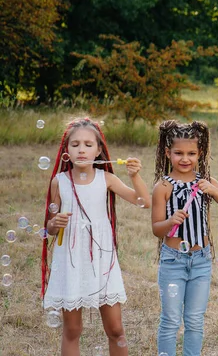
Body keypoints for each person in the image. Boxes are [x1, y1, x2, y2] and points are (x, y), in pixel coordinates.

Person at [41, 117, 151, 355]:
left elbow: (144, 202)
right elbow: (50, 229)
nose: (81, 149)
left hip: (102, 260)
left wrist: (134, 176)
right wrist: (54, 223)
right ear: (66, 150)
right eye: (75, 144)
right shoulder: (59, 182)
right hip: (71, 261)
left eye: (89, 145)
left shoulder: (107, 179)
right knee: (72, 330)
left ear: (99, 150)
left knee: (116, 329)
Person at [151, 120, 218, 356]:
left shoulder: (205, 182)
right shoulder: (163, 186)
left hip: (201, 260)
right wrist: (170, 222)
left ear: (200, 153)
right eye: (178, 153)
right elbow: (156, 229)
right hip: (173, 260)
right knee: (170, 319)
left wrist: (214, 190)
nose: (185, 158)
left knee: (195, 320)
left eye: (191, 153)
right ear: (168, 153)